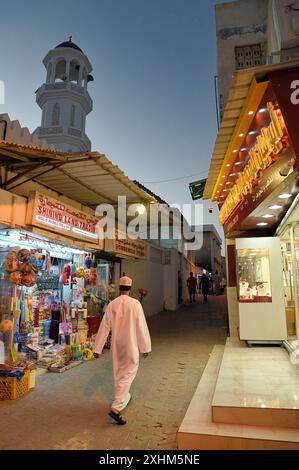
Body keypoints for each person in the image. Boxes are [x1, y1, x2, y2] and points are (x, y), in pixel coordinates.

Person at [93, 276, 151, 425]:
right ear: (130, 288)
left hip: (116, 347)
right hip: (131, 345)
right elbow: (141, 326)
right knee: (128, 374)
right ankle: (116, 408)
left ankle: (125, 397)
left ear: (120, 288)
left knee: (119, 374)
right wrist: (145, 347)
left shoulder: (112, 304)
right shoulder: (135, 304)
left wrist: (97, 348)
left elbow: (104, 326)